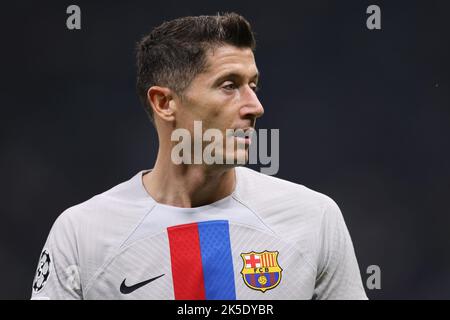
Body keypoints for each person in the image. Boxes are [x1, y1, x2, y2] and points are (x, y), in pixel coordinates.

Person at [31, 12, 367, 300]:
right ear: (165, 103)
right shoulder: (82, 234)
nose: (255, 107)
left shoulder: (314, 219)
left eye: (254, 85)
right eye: (229, 85)